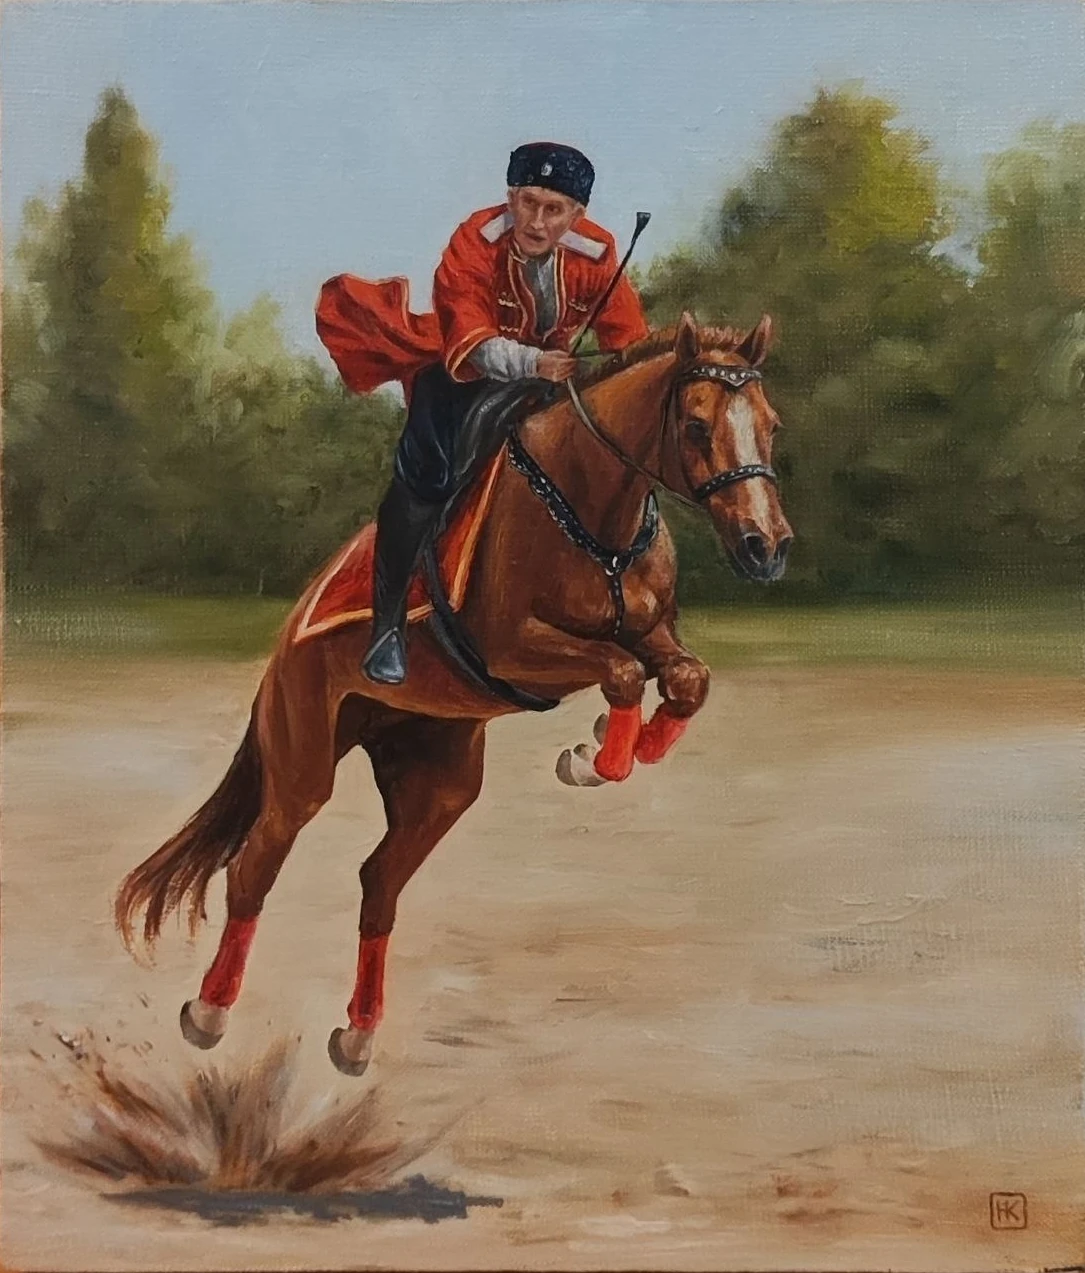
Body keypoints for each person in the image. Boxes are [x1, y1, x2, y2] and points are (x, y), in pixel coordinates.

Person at [316, 142, 649, 686]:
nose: (536, 222)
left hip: (551, 380)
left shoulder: (598, 251)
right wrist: (535, 363)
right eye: (528, 203)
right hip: (462, 374)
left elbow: (626, 339)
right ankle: (388, 626)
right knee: (425, 478)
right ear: (511, 198)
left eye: (553, 210)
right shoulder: (475, 238)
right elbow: (471, 334)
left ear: (576, 214)